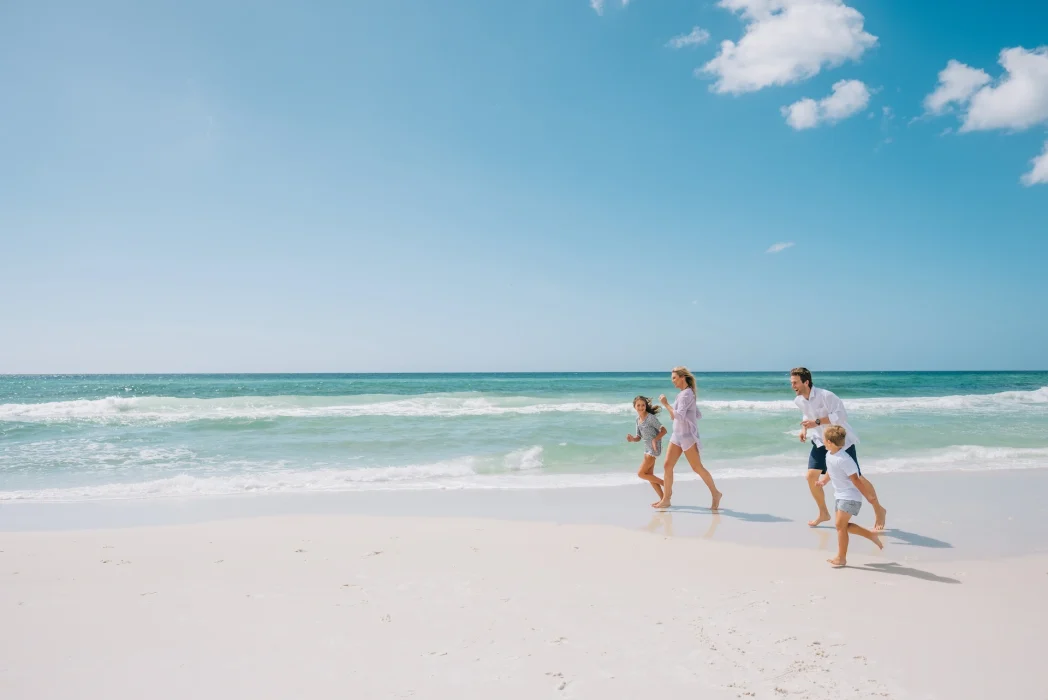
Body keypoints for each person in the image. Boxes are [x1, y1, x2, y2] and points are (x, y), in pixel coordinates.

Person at [790, 367, 887, 530]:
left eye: (795, 383)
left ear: (806, 382)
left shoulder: (826, 396)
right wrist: (805, 429)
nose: (793, 386)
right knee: (810, 476)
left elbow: (841, 416)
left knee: (858, 478)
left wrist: (818, 422)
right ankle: (823, 513)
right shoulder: (799, 400)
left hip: (839, 440)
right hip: (820, 441)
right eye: (791, 383)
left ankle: (879, 509)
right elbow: (807, 415)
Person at [654, 366, 722, 511]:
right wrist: (671, 408)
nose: (672, 381)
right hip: (676, 436)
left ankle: (716, 494)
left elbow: (679, 415)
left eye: (674, 378)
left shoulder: (686, 394)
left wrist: (665, 403)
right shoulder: (683, 394)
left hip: (686, 437)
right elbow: (677, 416)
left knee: (697, 467)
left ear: (682, 377)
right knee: (667, 466)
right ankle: (666, 499)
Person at [818, 425, 884, 567]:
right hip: (840, 495)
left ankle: (841, 558)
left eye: (824, 439)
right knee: (842, 526)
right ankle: (870, 535)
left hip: (850, 496)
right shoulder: (830, 454)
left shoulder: (845, 459)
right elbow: (831, 470)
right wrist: (824, 481)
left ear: (830, 442)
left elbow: (856, 479)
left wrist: (868, 497)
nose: (822, 441)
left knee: (840, 526)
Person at [626, 396, 668, 506]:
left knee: (641, 473)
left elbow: (664, 430)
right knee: (649, 475)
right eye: (638, 405)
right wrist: (632, 439)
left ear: (646, 406)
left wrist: (655, 439)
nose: (641, 407)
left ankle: (666, 485)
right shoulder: (637, 419)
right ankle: (664, 500)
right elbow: (638, 437)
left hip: (654, 448)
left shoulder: (650, 418)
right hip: (647, 448)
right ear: (634, 406)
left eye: (643, 405)